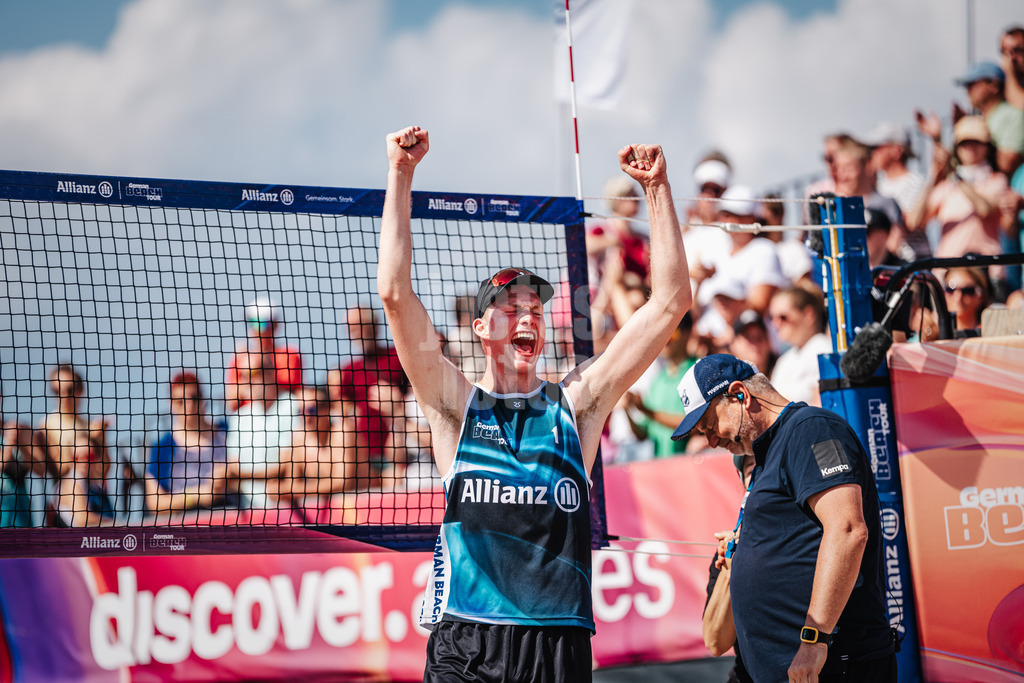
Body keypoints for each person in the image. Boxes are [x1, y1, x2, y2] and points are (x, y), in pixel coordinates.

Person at [377, 125, 692, 682]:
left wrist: (658, 189)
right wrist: (401, 175)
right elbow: (396, 296)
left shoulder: (576, 406)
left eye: (537, 310)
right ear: (480, 328)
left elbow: (669, 303)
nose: (528, 316)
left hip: (557, 641)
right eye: (510, 307)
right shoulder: (455, 407)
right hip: (467, 640)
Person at [670, 354, 896, 682]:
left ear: (740, 395)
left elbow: (847, 529)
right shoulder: (765, 457)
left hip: (834, 665)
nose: (711, 440)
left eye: (711, 425)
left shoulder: (812, 428)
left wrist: (814, 640)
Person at [907, 116, 1013, 299]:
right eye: (965, 143)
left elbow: (984, 208)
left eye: (976, 142)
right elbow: (914, 221)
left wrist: (954, 174)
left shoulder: (996, 181)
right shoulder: (946, 186)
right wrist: (933, 178)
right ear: (957, 148)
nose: (970, 148)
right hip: (947, 279)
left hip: (985, 277)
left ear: (987, 146)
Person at [142, 371, 235, 514]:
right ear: (171, 404)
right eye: (180, 401)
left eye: (194, 398)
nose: (189, 406)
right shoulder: (163, 448)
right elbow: (155, 503)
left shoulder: (230, 432)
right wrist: (196, 495)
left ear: (203, 398)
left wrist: (232, 473)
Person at [702, 452, 755, 683]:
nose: (761, 480)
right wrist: (732, 566)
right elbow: (715, 642)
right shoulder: (729, 548)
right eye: (753, 472)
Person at [225, 349, 298, 509]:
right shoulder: (240, 417)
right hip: (246, 510)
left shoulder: (293, 406)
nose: (246, 381)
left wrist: (238, 475)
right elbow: (232, 466)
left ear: (271, 372)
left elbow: (285, 467)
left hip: (285, 510)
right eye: (242, 376)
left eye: (253, 373)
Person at [224, 297, 304, 414]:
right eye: (252, 322)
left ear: (275, 325)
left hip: (281, 417)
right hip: (247, 420)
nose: (256, 329)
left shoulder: (289, 355)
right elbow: (232, 402)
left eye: (262, 323)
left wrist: (251, 374)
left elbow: (288, 393)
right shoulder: (240, 358)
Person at [955, 61, 1024, 179]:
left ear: (994, 85)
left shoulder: (1014, 116)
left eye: (972, 84)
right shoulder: (976, 120)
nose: (967, 90)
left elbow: (1007, 165)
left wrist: (979, 141)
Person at [769, 285, 832, 408]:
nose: (775, 324)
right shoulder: (784, 360)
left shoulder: (823, 350)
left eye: (783, 317)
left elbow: (826, 406)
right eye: (772, 318)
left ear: (809, 315)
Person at [942, 266, 992, 334]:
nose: (958, 297)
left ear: (980, 296)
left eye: (967, 291)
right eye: (950, 290)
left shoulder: (991, 331)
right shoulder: (934, 329)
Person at [1002, 26, 1024, 111]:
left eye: (1017, 50)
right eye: (1004, 52)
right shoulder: (1001, 85)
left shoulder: (1009, 79)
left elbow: (1020, 108)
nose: (1011, 58)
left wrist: (1009, 74)